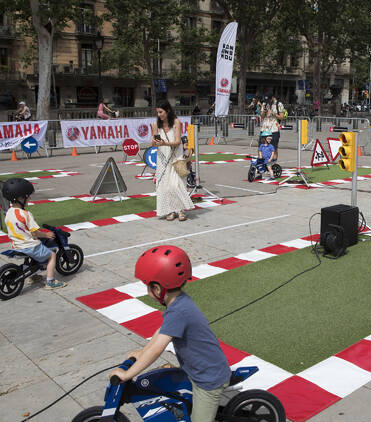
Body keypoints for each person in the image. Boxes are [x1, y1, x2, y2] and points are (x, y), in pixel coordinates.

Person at [109, 245, 231, 422]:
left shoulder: (179, 311)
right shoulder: (179, 302)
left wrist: (127, 375)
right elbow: (162, 332)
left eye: (147, 286)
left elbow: (157, 349)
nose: (147, 290)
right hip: (197, 370)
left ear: (157, 289)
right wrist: (141, 352)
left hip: (208, 380)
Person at [2, 178, 66, 289]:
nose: (29, 198)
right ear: (21, 198)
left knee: (32, 255)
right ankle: (51, 282)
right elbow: (35, 233)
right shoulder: (25, 214)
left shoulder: (9, 212)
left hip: (16, 245)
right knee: (52, 255)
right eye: (28, 196)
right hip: (29, 246)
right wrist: (47, 235)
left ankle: (32, 276)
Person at [152, 102, 194, 221]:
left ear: (168, 111)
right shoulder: (155, 124)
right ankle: (170, 211)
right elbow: (152, 142)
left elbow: (177, 142)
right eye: (157, 112)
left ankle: (180, 211)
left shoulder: (176, 122)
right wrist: (155, 142)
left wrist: (164, 143)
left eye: (161, 112)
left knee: (177, 184)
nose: (159, 115)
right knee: (165, 185)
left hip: (176, 156)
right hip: (162, 157)